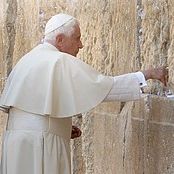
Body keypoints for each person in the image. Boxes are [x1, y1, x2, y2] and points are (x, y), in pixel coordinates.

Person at [0, 13, 168, 174]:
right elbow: (103, 88)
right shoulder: (59, 60)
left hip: (16, 144)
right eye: (77, 38)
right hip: (41, 145)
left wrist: (62, 127)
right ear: (59, 39)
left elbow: (33, 112)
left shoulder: (28, 58)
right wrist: (146, 75)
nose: (81, 45)